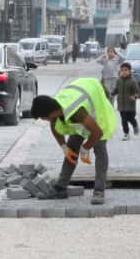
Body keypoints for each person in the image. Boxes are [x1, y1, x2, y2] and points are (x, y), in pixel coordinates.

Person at [30, 77, 117, 206]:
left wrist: (85, 148)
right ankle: (60, 188)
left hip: (97, 99)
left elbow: (97, 133)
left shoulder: (76, 112)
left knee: (99, 149)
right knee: (71, 149)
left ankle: (99, 191)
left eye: (44, 118)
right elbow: (55, 128)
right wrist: (65, 148)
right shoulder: (54, 108)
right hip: (81, 95)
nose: (45, 120)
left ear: (51, 114)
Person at [111, 62, 140, 140]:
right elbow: (116, 89)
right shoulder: (118, 80)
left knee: (131, 118)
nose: (124, 72)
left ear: (130, 71)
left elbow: (137, 91)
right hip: (121, 105)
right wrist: (112, 93)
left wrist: (134, 96)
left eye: (126, 70)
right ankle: (126, 133)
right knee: (124, 120)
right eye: (122, 70)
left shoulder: (132, 81)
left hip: (130, 105)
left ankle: (135, 125)